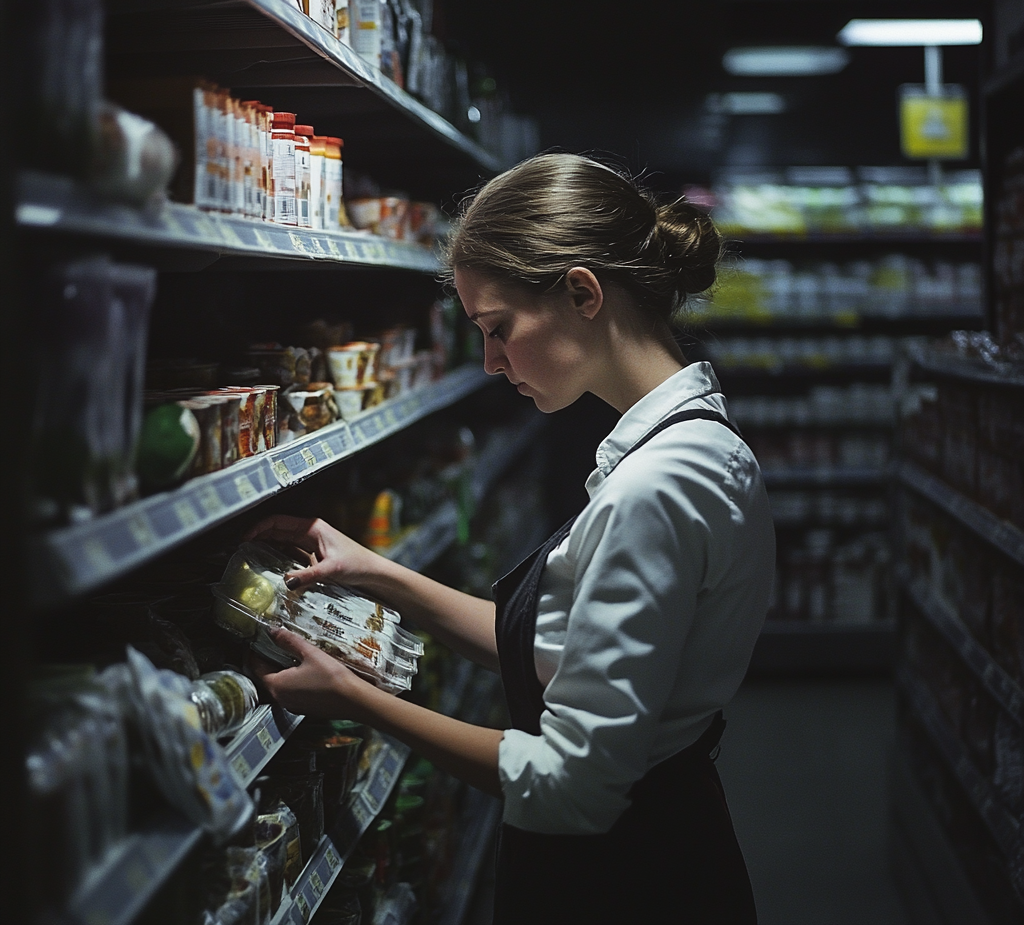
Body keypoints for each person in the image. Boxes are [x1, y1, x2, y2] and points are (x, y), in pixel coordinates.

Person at [248, 153, 775, 924]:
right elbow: (564, 649)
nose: (492, 362)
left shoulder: (655, 488)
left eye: (499, 329)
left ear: (582, 292)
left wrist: (358, 700)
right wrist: (377, 574)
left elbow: (569, 786)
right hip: (665, 841)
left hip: (626, 881)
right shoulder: (690, 442)